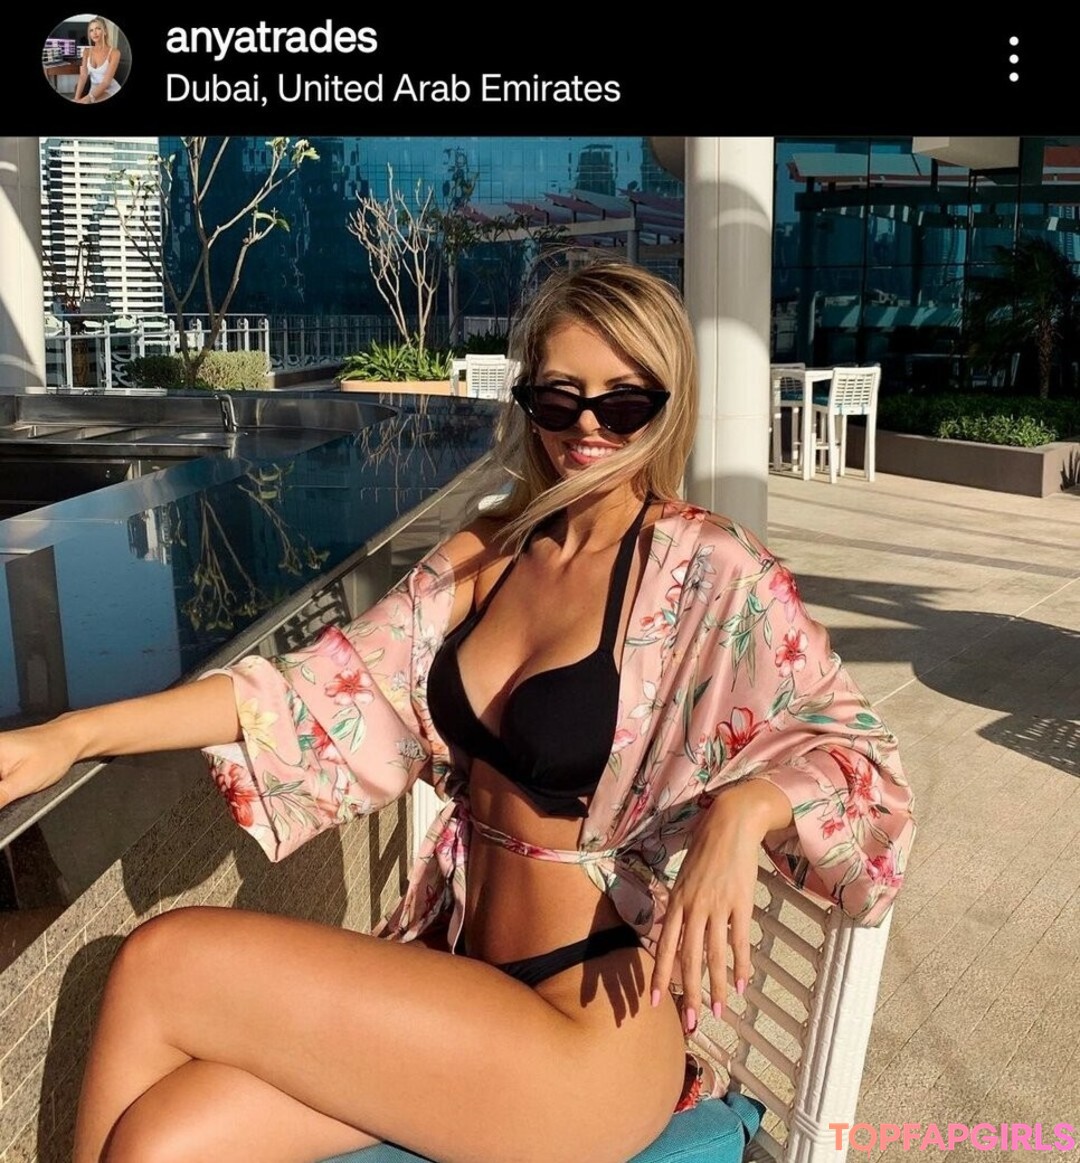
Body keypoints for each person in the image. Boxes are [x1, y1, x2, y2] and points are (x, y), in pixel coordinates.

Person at [0, 263, 914, 1163]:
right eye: (559, 398)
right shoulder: (491, 551)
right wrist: (71, 735)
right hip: (465, 980)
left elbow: (871, 776)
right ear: (527, 400)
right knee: (159, 1140)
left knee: (159, 962)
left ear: (666, 406)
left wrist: (744, 810)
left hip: (588, 1032)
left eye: (623, 403)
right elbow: (313, 690)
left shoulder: (708, 570)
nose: (587, 428)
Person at [73, 18, 120, 104]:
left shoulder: (115, 53)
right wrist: (76, 99)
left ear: (105, 31)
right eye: (91, 30)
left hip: (109, 89)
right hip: (94, 88)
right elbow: (83, 76)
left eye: (98, 28)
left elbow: (106, 82)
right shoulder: (86, 51)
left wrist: (87, 98)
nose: (94, 33)